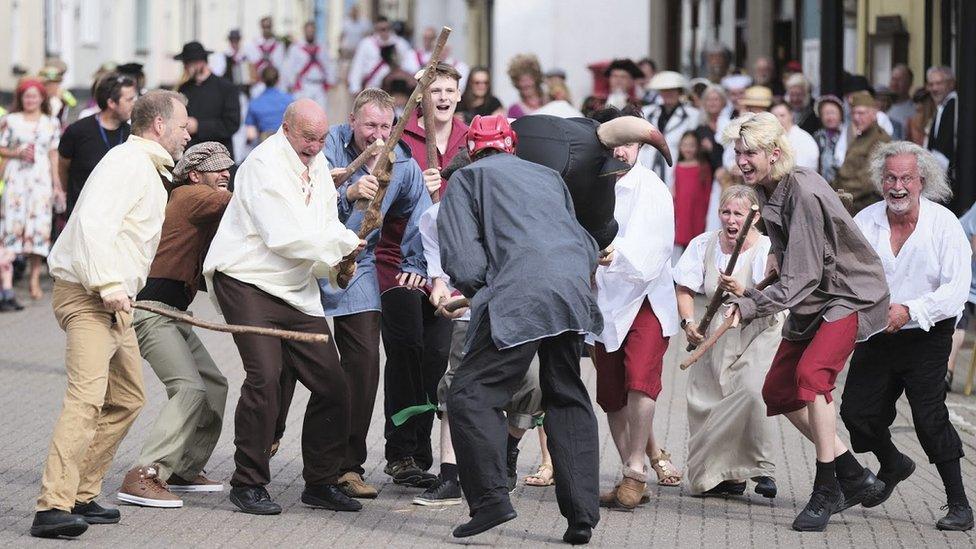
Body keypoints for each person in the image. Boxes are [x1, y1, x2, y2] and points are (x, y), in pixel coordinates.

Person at [30, 90, 190, 539]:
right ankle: (52, 507)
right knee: (86, 398)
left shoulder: (144, 167)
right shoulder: (126, 164)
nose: (186, 132)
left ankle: (82, 492)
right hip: (88, 294)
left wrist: (118, 290)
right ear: (158, 126)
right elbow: (92, 225)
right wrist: (108, 285)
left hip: (111, 299)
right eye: (181, 124)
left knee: (128, 397)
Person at [720, 112, 890, 532]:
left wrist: (751, 304)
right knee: (778, 390)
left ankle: (827, 486)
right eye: (738, 152)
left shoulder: (805, 192)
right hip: (813, 298)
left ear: (774, 153)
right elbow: (791, 257)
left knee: (813, 378)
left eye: (750, 152)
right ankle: (854, 474)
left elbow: (805, 275)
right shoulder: (765, 186)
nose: (742, 160)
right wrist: (777, 253)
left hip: (848, 294)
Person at [439, 115, 601, 544]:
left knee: (469, 394)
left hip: (520, 292)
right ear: (511, 146)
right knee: (566, 394)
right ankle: (581, 516)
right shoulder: (547, 176)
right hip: (571, 291)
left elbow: (465, 263)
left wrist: (478, 290)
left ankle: (491, 498)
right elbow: (584, 242)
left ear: (471, 149)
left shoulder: (467, 178)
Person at [202, 99, 364, 515]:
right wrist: (343, 245)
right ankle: (248, 482)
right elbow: (283, 236)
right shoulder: (262, 165)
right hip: (246, 278)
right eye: (307, 137)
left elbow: (326, 221)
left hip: (295, 287)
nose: (314, 146)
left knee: (333, 383)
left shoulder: (318, 163)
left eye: (322, 138)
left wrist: (338, 261)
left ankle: (322, 482)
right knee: (266, 378)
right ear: (286, 128)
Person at [841, 141, 973, 531]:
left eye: (906, 179)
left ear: (922, 182)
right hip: (878, 331)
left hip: (928, 333)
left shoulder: (944, 223)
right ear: (881, 181)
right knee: (855, 413)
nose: (898, 187)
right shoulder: (865, 220)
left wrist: (911, 310)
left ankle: (959, 504)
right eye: (890, 178)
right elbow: (848, 275)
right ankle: (894, 463)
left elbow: (955, 290)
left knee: (929, 417)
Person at [316, 88, 431, 497]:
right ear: (352, 122)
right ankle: (270, 437)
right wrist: (345, 191)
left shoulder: (404, 163)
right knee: (285, 363)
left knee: (364, 361)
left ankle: (348, 465)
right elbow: (303, 197)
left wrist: (415, 267)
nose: (378, 134)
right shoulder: (326, 144)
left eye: (386, 125)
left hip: (358, 262)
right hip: (307, 258)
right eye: (370, 125)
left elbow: (418, 216)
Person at [116, 142, 234, 508]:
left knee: (214, 385)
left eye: (228, 166)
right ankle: (144, 474)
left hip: (174, 312)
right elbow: (245, 202)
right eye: (218, 169)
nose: (226, 173)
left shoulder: (198, 198)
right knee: (188, 389)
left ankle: (184, 468)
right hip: (152, 309)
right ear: (196, 174)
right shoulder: (191, 195)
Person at [378, 64, 466, 487]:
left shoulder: (472, 139)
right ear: (421, 98)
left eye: (450, 90)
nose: (443, 98)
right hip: (399, 266)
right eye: (435, 91)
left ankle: (423, 449)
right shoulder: (403, 138)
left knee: (436, 359)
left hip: (449, 270)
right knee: (405, 351)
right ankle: (401, 453)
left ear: (459, 96)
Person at [589, 118, 681, 509]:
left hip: (645, 296)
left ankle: (636, 468)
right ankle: (630, 468)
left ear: (640, 148)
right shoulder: (589, 185)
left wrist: (614, 255)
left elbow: (656, 250)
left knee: (641, 382)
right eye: (614, 144)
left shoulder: (654, 188)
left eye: (627, 144)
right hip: (602, 299)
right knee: (611, 395)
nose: (620, 151)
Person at [675, 184, 785, 497]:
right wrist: (689, 324)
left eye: (739, 213)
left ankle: (762, 469)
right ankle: (725, 477)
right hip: (717, 336)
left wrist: (744, 292)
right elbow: (684, 288)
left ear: (755, 217)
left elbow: (779, 295)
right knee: (707, 403)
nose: (731, 219)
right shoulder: (704, 244)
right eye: (726, 212)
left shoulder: (767, 248)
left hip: (759, 330)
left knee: (751, 393)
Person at [0, 78, 63, 300]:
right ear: (20, 98)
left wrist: (57, 184)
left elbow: (53, 153)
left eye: (34, 96)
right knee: (11, 226)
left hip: (40, 180)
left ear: (42, 98)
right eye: (27, 96)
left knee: (39, 228)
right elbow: (1, 146)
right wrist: (15, 153)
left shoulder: (51, 122)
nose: (30, 100)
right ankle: (6, 284)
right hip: (17, 179)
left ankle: (34, 279)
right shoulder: (10, 120)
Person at [58, 74, 137, 219]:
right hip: (82, 216)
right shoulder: (78, 131)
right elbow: (63, 165)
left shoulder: (132, 134)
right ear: (112, 103)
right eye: (129, 99)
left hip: (117, 217)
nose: (134, 103)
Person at [176, 41, 242, 160]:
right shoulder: (184, 88)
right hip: (191, 155)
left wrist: (199, 126)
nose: (185, 68)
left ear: (200, 62)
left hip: (218, 156)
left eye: (188, 63)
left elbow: (232, 124)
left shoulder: (226, 88)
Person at [833, 91, 892, 213]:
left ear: (874, 114)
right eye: (854, 113)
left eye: (861, 113)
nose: (856, 118)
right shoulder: (860, 136)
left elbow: (867, 181)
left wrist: (836, 195)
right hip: (846, 199)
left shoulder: (880, 139)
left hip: (862, 205)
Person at [640, 71, 699, 188]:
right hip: (647, 165)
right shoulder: (647, 111)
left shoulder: (692, 115)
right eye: (664, 90)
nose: (668, 94)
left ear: (679, 92)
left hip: (674, 168)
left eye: (672, 90)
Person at [347, 16, 419, 95]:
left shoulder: (400, 44)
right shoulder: (366, 44)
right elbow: (358, 66)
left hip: (394, 89)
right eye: (381, 29)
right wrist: (355, 88)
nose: (384, 32)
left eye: (387, 28)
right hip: (372, 88)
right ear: (375, 29)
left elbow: (409, 64)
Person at [924, 66, 958, 211]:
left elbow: (944, 150)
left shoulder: (953, 105)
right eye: (931, 84)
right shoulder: (942, 107)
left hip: (950, 180)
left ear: (950, 84)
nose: (935, 88)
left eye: (939, 83)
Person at [285, 21, 336, 112]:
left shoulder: (322, 47)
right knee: (303, 114)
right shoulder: (296, 48)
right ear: (304, 31)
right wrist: (291, 84)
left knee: (321, 114)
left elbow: (329, 64)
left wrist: (330, 81)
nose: (310, 33)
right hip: (304, 86)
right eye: (308, 31)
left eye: (312, 31)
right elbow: (289, 67)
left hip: (319, 86)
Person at [673, 131, 713, 248]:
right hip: (682, 208)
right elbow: (677, 189)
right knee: (684, 237)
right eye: (684, 145)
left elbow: (707, 191)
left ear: (698, 147)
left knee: (697, 239)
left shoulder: (703, 167)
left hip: (698, 209)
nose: (688, 149)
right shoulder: (678, 167)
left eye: (692, 145)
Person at [244, 67, 293, 144]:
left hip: (264, 145)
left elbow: (251, 135)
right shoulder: (290, 100)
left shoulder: (254, 103)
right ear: (278, 80)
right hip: (285, 144)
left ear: (262, 80)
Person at [769, 100, 819, 170]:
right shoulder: (774, 137)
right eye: (775, 116)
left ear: (791, 115)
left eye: (782, 115)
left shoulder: (803, 139)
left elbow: (801, 169)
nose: (778, 120)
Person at [244, 15, 286, 95]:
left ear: (272, 27)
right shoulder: (252, 45)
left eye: (268, 27)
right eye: (264, 27)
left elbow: (281, 67)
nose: (266, 29)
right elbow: (248, 65)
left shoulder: (279, 45)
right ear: (261, 27)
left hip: (274, 85)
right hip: (258, 85)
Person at [695, 84, 730, 172]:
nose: (712, 103)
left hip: (727, 174)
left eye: (716, 99)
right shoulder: (700, 129)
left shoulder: (730, 124)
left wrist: (712, 148)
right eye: (709, 100)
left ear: (723, 102)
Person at [812, 95, 845, 184]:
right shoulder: (817, 137)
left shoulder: (847, 135)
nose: (830, 117)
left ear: (840, 115)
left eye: (833, 113)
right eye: (826, 113)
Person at [506, 54, 545, 119]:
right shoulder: (514, 110)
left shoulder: (550, 102)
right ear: (517, 83)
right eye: (522, 80)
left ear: (536, 79)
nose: (526, 84)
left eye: (529, 79)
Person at [886, 64, 915, 134]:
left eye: (899, 80)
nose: (894, 83)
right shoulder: (882, 107)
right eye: (893, 79)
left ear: (910, 83)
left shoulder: (915, 110)